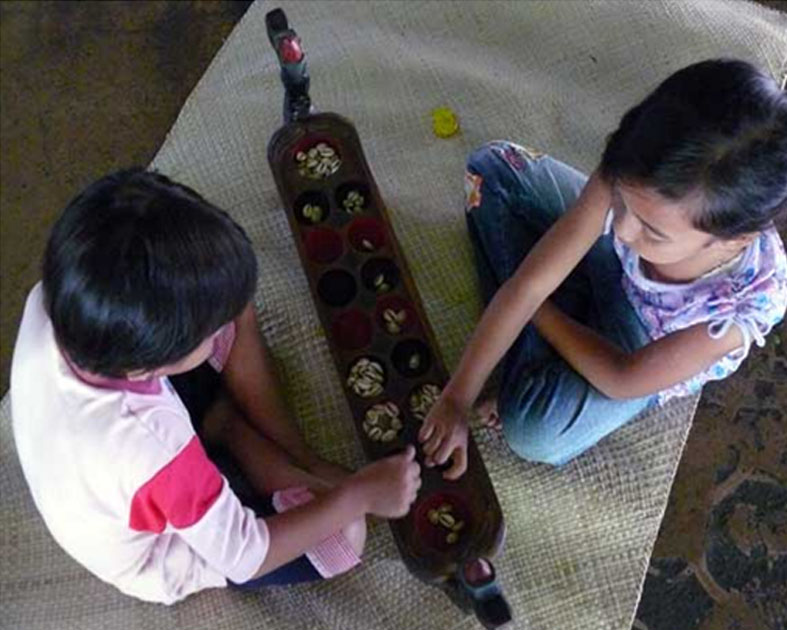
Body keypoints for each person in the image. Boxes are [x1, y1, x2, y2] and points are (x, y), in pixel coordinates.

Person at [10, 169, 421, 604]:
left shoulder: (57, 298)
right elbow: (246, 557)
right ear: (146, 365)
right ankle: (228, 430)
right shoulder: (153, 449)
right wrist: (356, 497)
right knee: (345, 536)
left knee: (231, 303)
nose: (215, 332)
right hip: (169, 539)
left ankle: (282, 448)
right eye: (201, 338)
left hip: (127, 444)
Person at [419, 58, 787, 479]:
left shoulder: (743, 305)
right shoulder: (637, 166)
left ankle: (548, 320)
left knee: (534, 432)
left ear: (732, 239)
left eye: (652, 230)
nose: (625, 230)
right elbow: (539, 278)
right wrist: (456, 398)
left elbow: (621, 378)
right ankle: (551, 314)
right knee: (494, 169)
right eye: (622, 203)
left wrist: (535, 303)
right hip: (609, 270)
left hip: (639, 344)